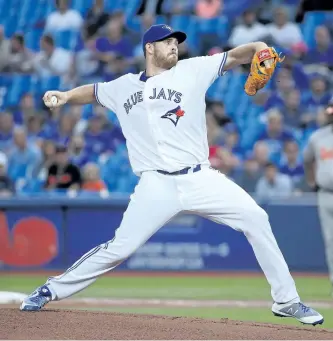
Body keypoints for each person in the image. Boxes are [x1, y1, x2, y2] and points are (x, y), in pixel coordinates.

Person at [20, 24, 324, 326]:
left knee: (256, 218)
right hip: (156, 184)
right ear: (149, 48)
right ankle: (50, 290)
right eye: (166, 42)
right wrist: (65, 95)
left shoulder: (193, 69)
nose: (174, 46)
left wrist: (258, 46)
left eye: (176, 42)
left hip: (200, 178)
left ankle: (287, 301)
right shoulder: (122, 86)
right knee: (119, 248)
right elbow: (95, 93)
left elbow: (235, 56)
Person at [303, 100, 333, 295]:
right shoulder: (318, 137)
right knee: (331, 240)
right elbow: (307, 160)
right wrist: (312, 181)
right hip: (326, 194)